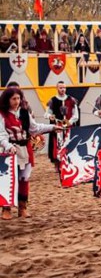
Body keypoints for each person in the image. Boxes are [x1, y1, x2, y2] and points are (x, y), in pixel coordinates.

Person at [0, 87, 63, 219]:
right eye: (13, 99)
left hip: (25, 149)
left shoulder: (24, 112)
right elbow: (1, 135)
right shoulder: (2, 114)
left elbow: (35, 128)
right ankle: (6, 208)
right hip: (9, 151)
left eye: (18, 98)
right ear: (7, 100)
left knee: (24, 178)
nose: (16, 101)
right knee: (9, 179)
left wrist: (52, 127)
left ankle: (22, 207)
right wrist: (8, 146)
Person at [44, 81, 80, 170]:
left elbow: (75, 115)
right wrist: (50, 116)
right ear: (57, 88)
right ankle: (57, 164)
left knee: (68, 144)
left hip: (68, 126)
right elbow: (46, 114)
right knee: (57, 145)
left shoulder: (71, 100)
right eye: (61, 88)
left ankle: (68, 162)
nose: (63, 89)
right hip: (57, 126)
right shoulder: (53, 100)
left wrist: (69, 122)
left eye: (64, 87)